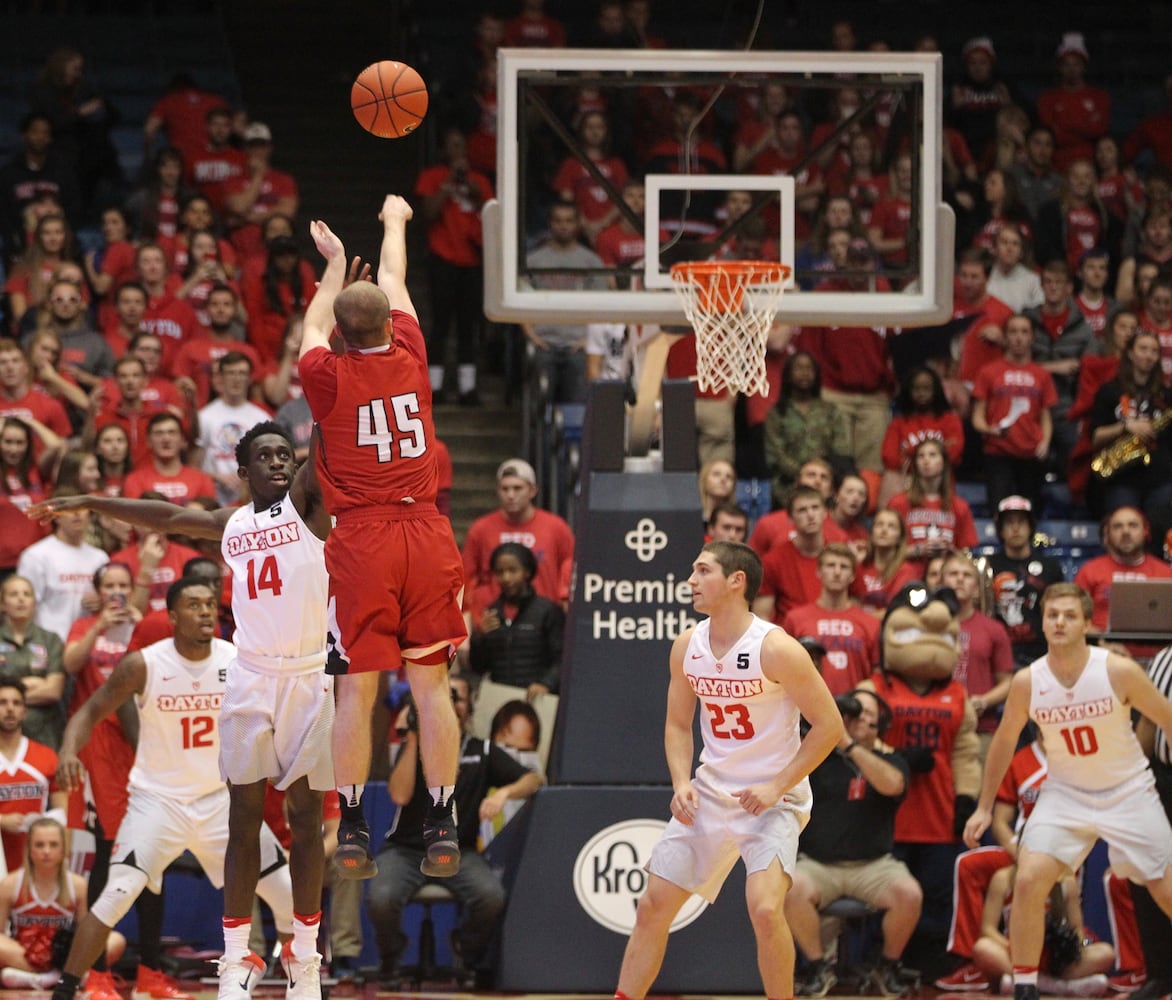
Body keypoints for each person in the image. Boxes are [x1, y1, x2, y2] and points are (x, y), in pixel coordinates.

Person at [33, 420, 334, 1000]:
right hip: (250, 676)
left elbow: (321, 445)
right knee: (243, 820)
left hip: (304, 674)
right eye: (264, 457)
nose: (278, 463)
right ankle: (231, 963)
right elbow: (163, 517)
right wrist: (91, 499)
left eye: (284, 456)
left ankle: (304, 959)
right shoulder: (232, 523)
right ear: (242, 474)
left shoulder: (309, 508)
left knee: (302, 817)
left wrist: (340, 366)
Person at [297, 197, 467, 880]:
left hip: (363, 538)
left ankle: (354, 827)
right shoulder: (413, 353)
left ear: (343, 328)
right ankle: (442, 820)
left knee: (355, 693)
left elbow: (313, 321)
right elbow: (395, 281)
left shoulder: (326, 377)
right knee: (432, 688)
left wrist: (332, 266)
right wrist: (395, 219)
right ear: (390, 327)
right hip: (425, 529)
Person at [611, 541, 843, 1000]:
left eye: (703, 571)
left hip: (773, 800)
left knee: (763, 909)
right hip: (712, 794)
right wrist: (681, 782)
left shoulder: (777, 648)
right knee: (652, 906)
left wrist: (778, 786)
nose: (691, 581)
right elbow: (678, 725)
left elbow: (830, 727)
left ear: (737, 581)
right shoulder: (687, 645)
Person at [46, 578, 295, 1000]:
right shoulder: (143, 664)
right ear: (173, 617)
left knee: (288, 894)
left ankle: (301, 979)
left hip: (219, 802)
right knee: (114, 897)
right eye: (194, 605)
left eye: (210, 605)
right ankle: (67, 989)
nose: (204, 612)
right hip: (157, 803)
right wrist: (70, 749)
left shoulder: (236, 658)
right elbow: (89, 709)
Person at [963, 583, 1172, 1000]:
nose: (1059, 622)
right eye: (1051, 615)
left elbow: (1168, 718)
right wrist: (984, 807)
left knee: (1166, 890)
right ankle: (1025, 988)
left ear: (1087, 623)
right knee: (1029, 879)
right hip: (1066, 794)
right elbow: (1003, 742)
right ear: (1041, 622)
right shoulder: (1027, 680)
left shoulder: (1118, 670)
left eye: (1069, 615)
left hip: (1128, 791)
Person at [368, 674, 543, 988]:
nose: (450, 703)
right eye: (444, 696)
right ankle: (392, 958)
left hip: (459, 852)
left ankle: (466, 949)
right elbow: (399, 795)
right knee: (381, 896)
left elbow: (533, 780)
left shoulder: (483, 750)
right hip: (406, 850)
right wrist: (412, 738)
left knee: (491, 897)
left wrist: (503, 793)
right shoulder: (416, 745)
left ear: (468, 706)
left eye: (457, 697)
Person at [787, 689, 922, 998]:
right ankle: (818, 966)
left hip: (874, 865)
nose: (860, 719)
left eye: (868, 716)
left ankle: (887, 965)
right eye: (855, 713)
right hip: (819, 864)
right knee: (791, 887)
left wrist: (848, 744)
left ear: (880, 726)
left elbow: (892, 785)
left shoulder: (891, 760)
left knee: (909, 894)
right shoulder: (820, 759)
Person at [413, 128, 492, 405]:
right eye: (453, 147)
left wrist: (475, 191)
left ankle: (467, 388)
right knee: (441, 323)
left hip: (472, 260)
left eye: (462, 147)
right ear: (445, 151)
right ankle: (434, 387)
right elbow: (428, 214)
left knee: (468, 325)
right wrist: (448, 184)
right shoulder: (433, 177)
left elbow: (492, 215)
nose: (458, 152)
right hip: (442, 258)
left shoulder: (479, 180)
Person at [0, 818, 124, 991]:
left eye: (53, 845)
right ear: (29, 849)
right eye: (39, 845)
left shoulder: (78, 885)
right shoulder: (10, 885)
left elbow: (87, 932)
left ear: (64, 849)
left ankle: (47, 978)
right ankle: (65, 978)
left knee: (115, 940)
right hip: (25, 955)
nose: (46, 851)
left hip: (66, 957)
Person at [461, 458, 574, 618]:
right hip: (494, 620)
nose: (511, 495)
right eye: (505, 489)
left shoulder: (557, 528)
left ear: (533, 490)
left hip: (545, 619)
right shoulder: (480, 530)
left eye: (517, 488)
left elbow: (571, 569)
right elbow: (467, 578)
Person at [522, 201, 607, 405]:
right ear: (550, 223)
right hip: (542, 342)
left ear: (578, 224)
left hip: (578, 344)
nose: (564, 226)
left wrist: (589, 339)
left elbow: (603, 305)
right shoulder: (533, 260)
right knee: (538, 411)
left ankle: (573, 438)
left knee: (578, 412)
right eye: (558, 221)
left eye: (569, 221)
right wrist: (530, 334)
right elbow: (520, 302)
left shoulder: (591, 261)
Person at [970, 313, 1058, 512]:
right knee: (998, 511)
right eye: (1013, 331)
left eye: (1024, 332)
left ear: (1032, 337)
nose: (1019, 337)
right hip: (998, 451)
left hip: (1030, 452)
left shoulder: (1041, 375)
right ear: (1005, 336)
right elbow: (977, 416)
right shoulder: (988, 372)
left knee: (1030, 512)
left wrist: (1045, 441)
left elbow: (1046, 415)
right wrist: (989, 429)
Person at [468, 542, 564, 700]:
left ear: (527, 572)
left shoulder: (547, 610)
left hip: (538, 698)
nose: (506, 578)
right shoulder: (491, 613)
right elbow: (478, 667)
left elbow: (561, 659)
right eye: (500, 572)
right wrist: (480, 638)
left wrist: (546, 683)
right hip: (500, 698)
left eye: (513, 571)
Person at [782, 543, 879, 696]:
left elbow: (878, 674)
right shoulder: (795, 619)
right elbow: (784, 668)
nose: (837, 572)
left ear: (853, 575)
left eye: (844, 567)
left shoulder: (871, 624)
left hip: (854, 711)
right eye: (830, 565)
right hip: (808, 709)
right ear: (819, 572)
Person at [941, 551, 1015, 748]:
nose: (959, 579)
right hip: (935, 725)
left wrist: (984, 701)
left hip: (980, 729)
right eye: (953, 574)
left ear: (976, 587)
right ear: (941, 581)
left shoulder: (993, 629)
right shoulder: (928, 625)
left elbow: (1007, 682)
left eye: (966, 575)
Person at [16, 487, 107, 644]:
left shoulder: (100, 558)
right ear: (56, 516)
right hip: (49, 644)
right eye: (70, 509)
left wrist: (100, 603)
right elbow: (24, 607)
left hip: (88, 646)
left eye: (81, 508)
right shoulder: (36, 556)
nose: (77, 513)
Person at [987, 496, 1066, 668]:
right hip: (999, 652)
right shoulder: (987, 565)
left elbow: (1061, 608)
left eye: (1021, 522)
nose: (1015, 528)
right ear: (1000, 530)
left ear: (1030, 527)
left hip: (1042, 653)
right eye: (1009, 523)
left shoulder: (1050, 566)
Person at [763, 352, 848, 508]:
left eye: (809, 368)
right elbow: (775, 455)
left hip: (824, 485)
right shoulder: (777, 413)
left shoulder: (829, 410)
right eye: (799, 368)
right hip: (786, 489)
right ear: (788, 375)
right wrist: (804, 475)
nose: (804, 373)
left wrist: (820, 474)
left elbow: (840, 450)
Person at [0, 679, 66, 875]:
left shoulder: (46, 756)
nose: (10, 709)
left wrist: (65, 860)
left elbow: (64, 815)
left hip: (36, 866)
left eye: (16, 703)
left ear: (25, 711)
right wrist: (2, 820)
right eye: (2, 703)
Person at [1073, 506, 1172, 634]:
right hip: (1102, 649)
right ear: (1108, 534)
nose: (1125, 531)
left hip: (1160, 650)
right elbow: (1073, 618)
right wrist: (1103, 642)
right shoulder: (1089, 571)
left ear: (1145, 531)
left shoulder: (1166, 573)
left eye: (1133, 525)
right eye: (1118, 526)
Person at [191, 353, 270, 506]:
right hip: (213, 499)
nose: (236, 378)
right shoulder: (204, 417)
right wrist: (217, 476)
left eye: (242, 373)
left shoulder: (262, 418)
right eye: (231, 373)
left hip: (251, 500)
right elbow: (193, 467)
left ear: (249, 378)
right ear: (219, 378)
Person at [888, 439, 979, 571]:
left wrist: (951, 551)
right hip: (906, 575)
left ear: (944, 462)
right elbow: (885, 551)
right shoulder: (898, 503)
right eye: (921, 456)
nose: (926, 460)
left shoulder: (960, 506)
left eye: (932, 455)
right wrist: (917, 550)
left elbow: (968, 555)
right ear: (915, 464)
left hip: (946, 577)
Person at [0, 576, 66, 748]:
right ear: (2, 604)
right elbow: (45, 687)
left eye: (27, 594)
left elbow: (53, 691)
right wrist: (30, 683)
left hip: (44, 732)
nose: (21, 599)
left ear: (34, 604)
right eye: (14, 594)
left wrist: (8, 696)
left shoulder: (50, 640)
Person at [752, 486, 834, 625]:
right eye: (802, 510)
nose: (810, 515)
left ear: (825, 513)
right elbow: (761, 617)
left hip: (832, 632)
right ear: (790, 518)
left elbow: (854, 606)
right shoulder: (773, 560)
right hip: (791, 638)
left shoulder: (839, 555)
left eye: (815, 508)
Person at [853, 508, 919, 617]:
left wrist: (862, 618)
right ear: (872, 532)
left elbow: (896, 610)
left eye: (891, 526)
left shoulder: (906, 571)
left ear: (899, 538)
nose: (884, 530)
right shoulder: (860, 565)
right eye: (879, 525)